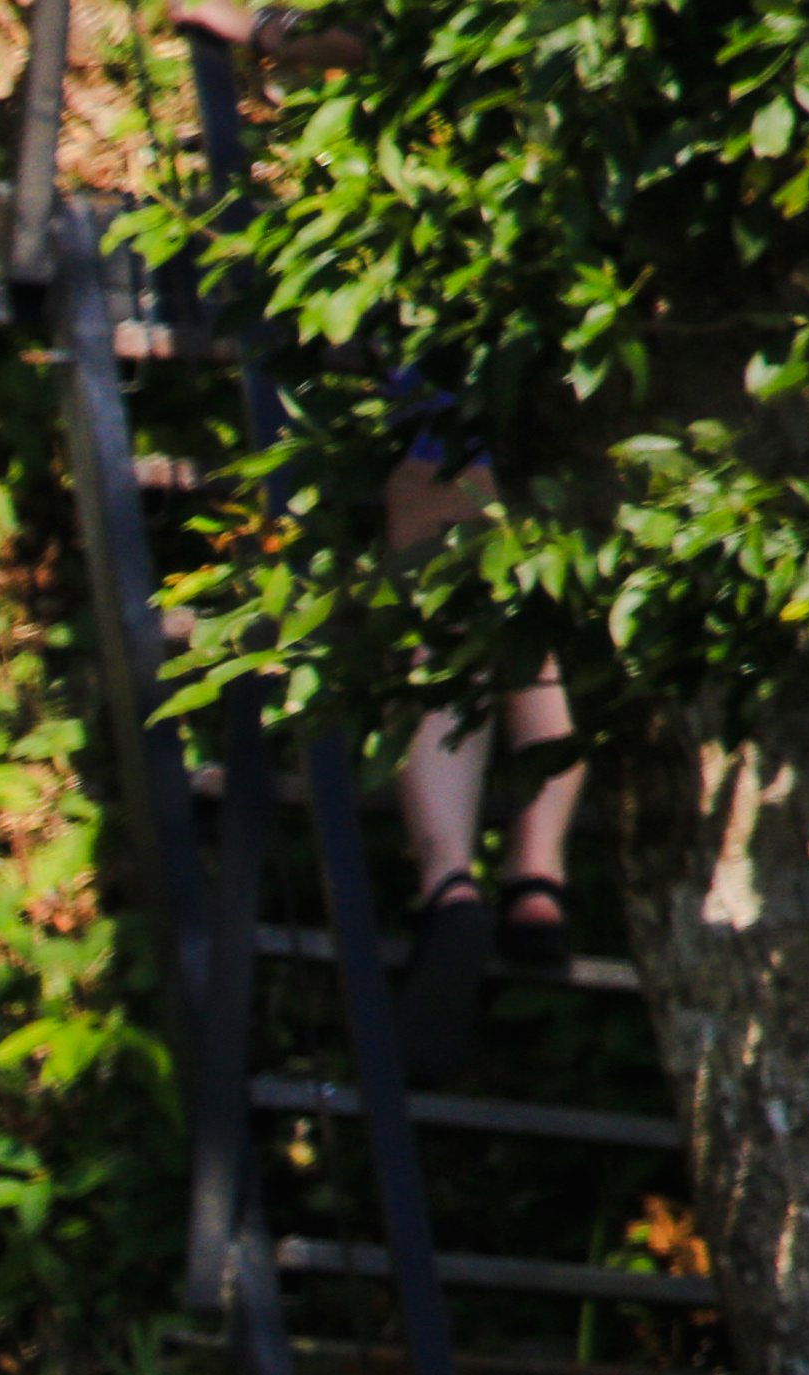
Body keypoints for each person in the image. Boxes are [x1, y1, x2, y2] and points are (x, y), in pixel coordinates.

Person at [171, 0, 586, 1084]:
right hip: (619, 297)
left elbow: (405, 42)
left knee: (444, 586)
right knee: (539, 595)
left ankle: (449, 878)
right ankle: (539, 874)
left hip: (483, 283)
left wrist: (259, 29)